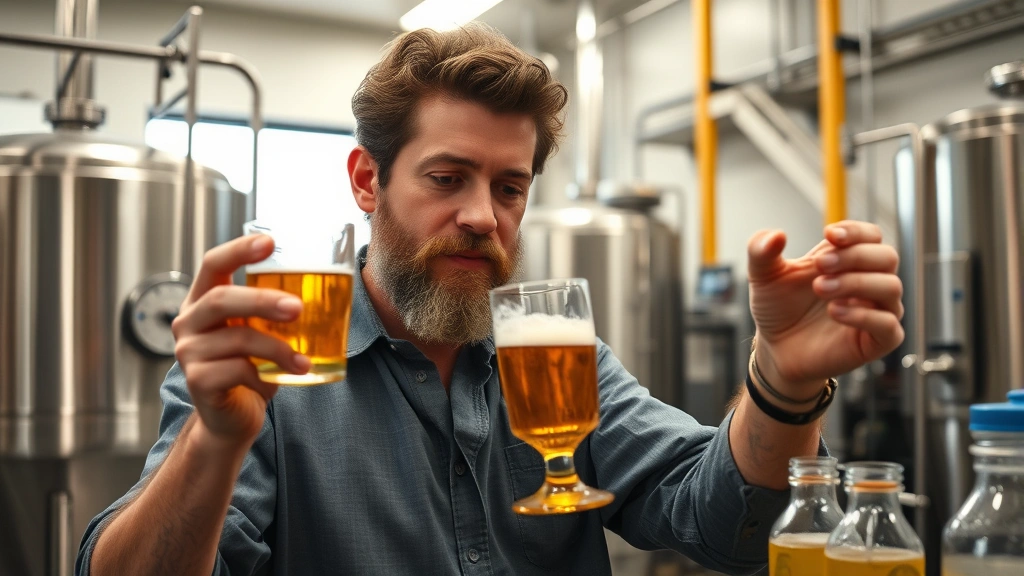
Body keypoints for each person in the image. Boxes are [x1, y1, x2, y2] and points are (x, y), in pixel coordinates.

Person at [76, 24, 904, 576]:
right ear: (368, 180)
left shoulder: (554, 356)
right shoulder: (268, 364)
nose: (481, 216)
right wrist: (214, 445)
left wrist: (784, 383)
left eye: (510, 187)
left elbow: (723, 524)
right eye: (447, 178)